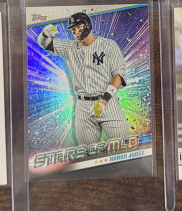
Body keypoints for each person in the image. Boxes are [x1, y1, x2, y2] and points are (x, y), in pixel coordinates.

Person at [37, 12, 131, 145]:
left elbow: (119, 74)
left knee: (123, 145)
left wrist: (104, 100)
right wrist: (45, 33)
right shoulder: (70, 48)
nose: (76, 33)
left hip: (108, 103)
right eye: (73, 30)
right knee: (87, 152)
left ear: (87, 26)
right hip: (83, 107)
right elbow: (44, 43)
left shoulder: (108, 45)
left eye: (79, 28)